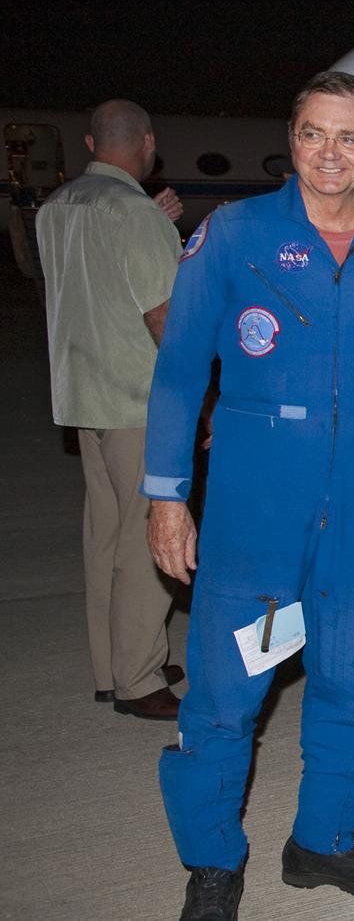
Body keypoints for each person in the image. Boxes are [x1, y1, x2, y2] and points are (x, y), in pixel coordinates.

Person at [143, 71, 354, 921]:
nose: (329, 154)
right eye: (312, 134)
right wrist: (166, 494)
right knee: (228, 692)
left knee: (352, 681)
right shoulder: (234, 234)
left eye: (349, 138)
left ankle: (322, 842)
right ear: (290, 141)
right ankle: (213, 864)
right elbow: (182, 374)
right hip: (258, 506)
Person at [35, 99, 185, 720]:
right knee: (149, 533)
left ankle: (112, 664)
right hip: (134, 398)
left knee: (102, 534)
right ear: (147, 143)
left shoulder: (55, 208)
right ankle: (139, 678)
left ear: (93, 145)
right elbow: (162, 318)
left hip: (82, 395)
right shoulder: (136, 214)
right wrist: (197, 404)